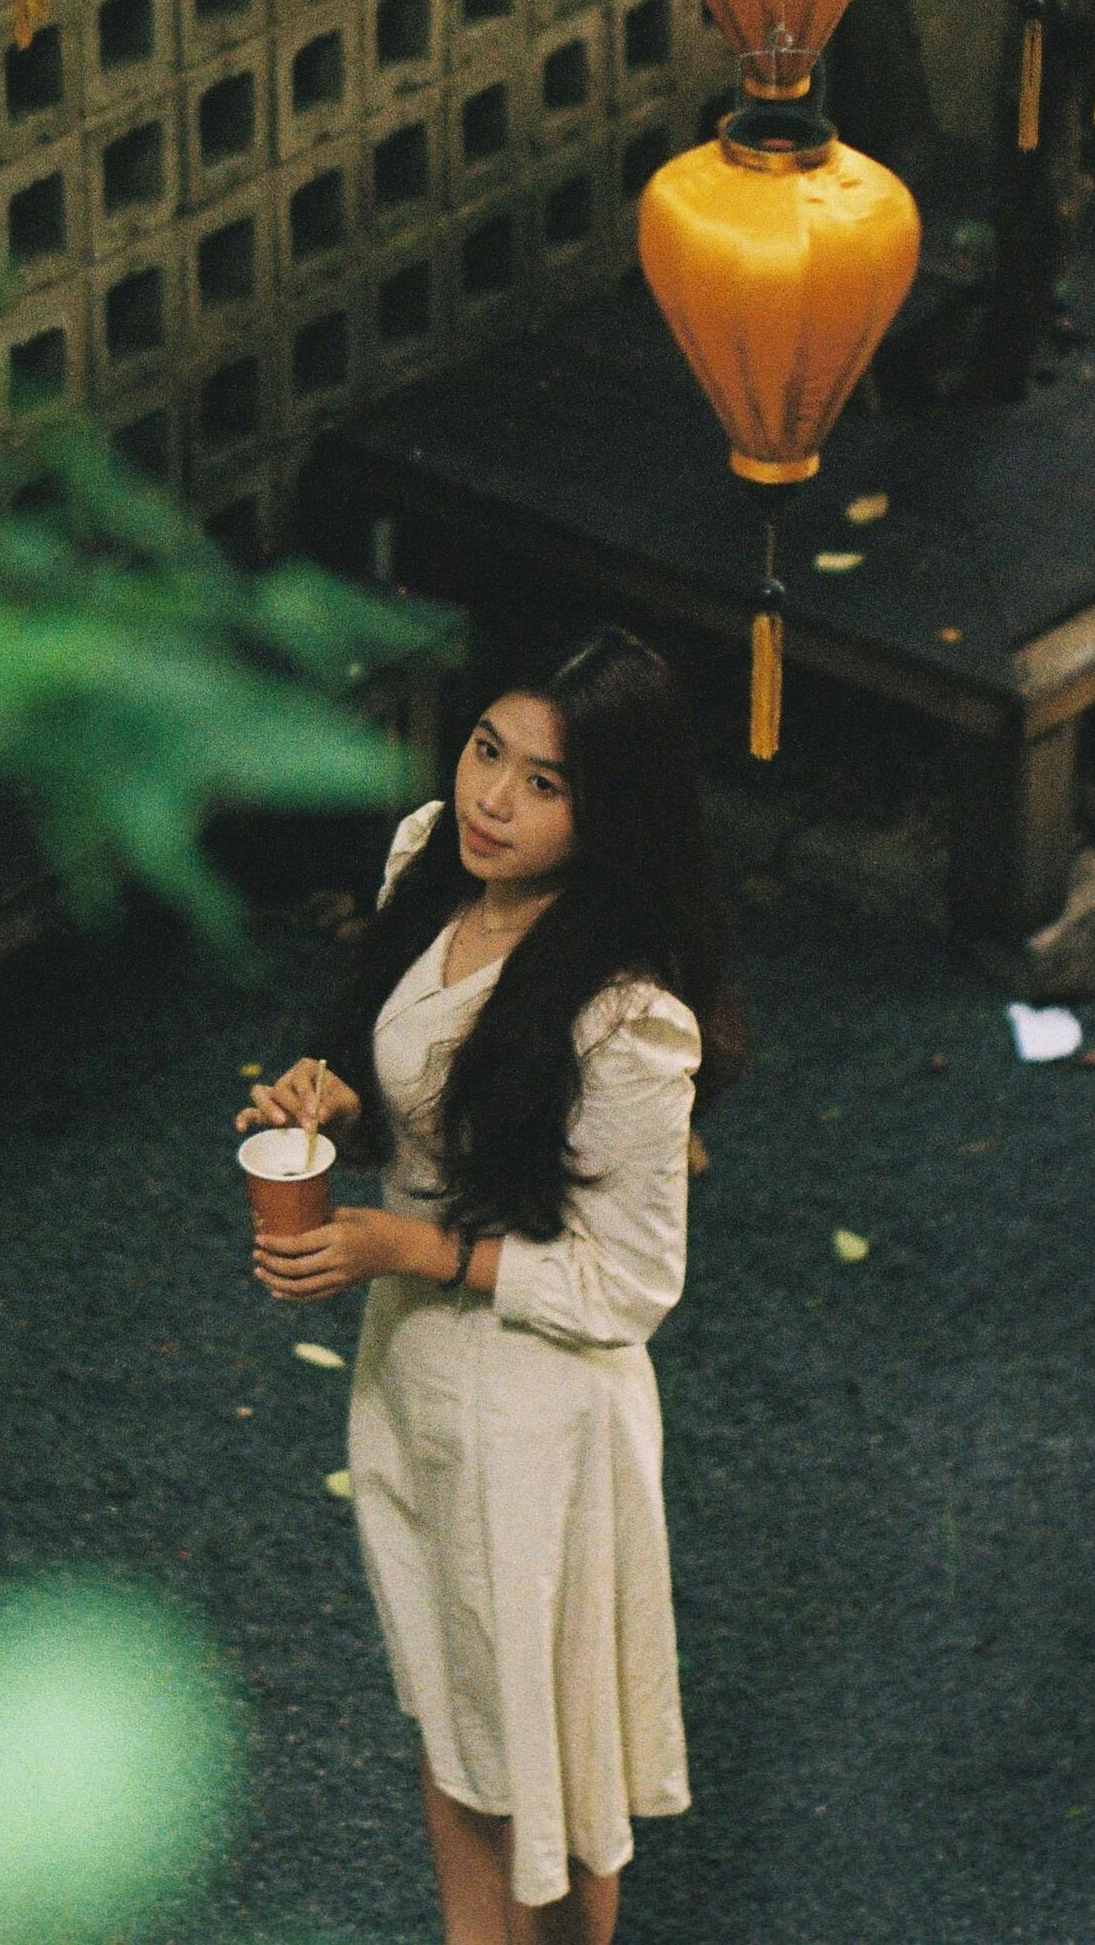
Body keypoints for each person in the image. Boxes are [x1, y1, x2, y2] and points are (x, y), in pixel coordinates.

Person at [241, 630, 744, 1945]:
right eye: (485, 751)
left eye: (543, 782)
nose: (490, 799)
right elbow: (416, 1090)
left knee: (549, 1756)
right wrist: (340, 1103)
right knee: (458, 1713)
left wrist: (401, 1246)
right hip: (409, 1372)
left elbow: (631, 1281)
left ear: (609, 810)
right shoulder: (430, 864)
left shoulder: (625, 1014)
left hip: (540, 1413)